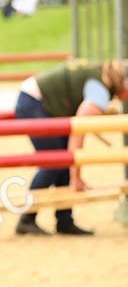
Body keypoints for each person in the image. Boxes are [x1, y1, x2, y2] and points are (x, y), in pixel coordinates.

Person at [13, 58, 128, 236]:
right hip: (35, 102)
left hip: (35, 98)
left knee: (60, 160)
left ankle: (64, 220)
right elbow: (78, 131)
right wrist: (76, 176)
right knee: (54, 162)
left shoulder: (97, 76)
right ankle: (27, 218)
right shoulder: (99, 92)